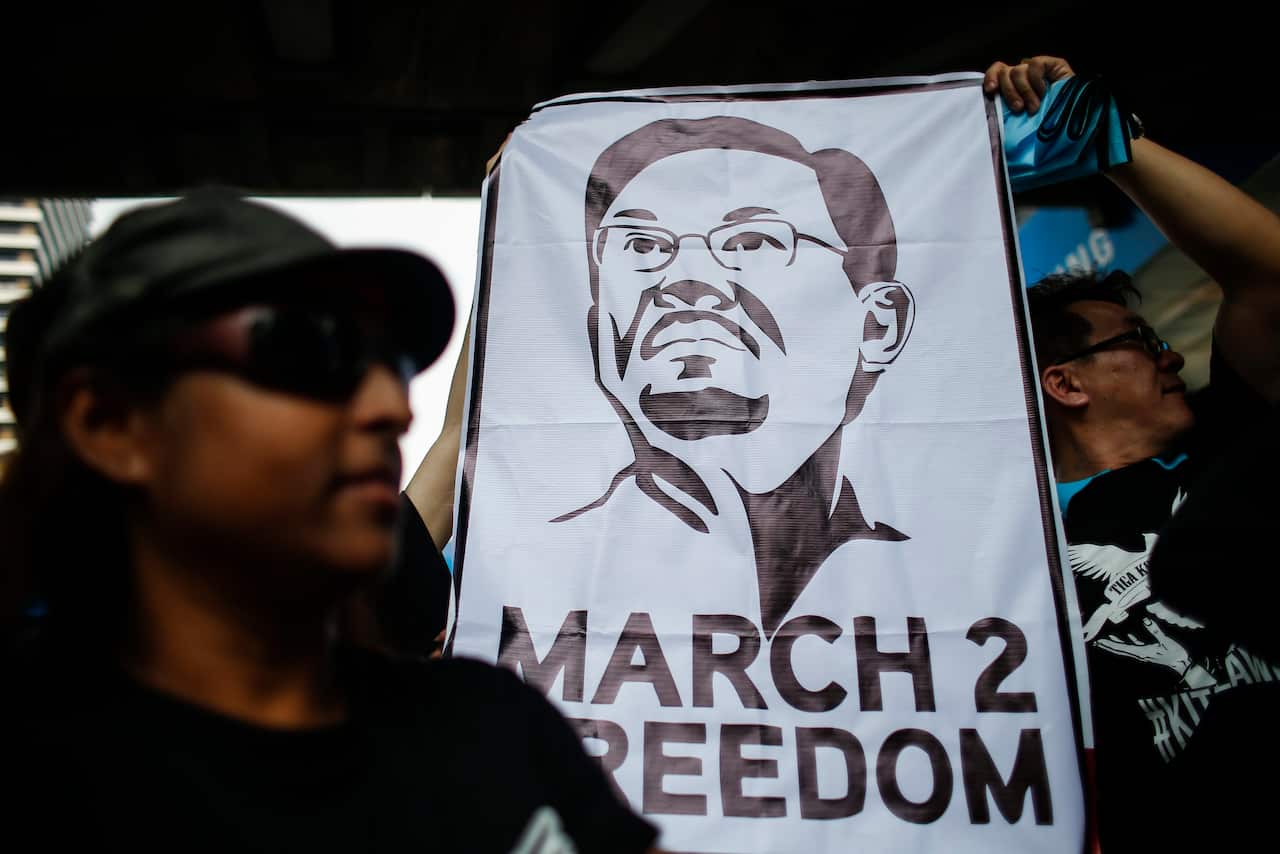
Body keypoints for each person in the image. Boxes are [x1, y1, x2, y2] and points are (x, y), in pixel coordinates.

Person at [0, 190, 660, 853]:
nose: (392, 407)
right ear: (109, 424)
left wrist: (517, 216)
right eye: (305, 348)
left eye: (392, 364)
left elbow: (459, 432)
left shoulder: (495, 729)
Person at [987, 55, 1280, 848]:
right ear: (1066, 384)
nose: (1173, 357)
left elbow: (1269, 280)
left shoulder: (1237, 451)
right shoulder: (1007, 554)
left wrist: (1105, 140)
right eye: (1143, 343)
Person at [552, 116, 915, 636]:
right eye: (641, 246)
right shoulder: (538, 565)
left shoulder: (964, 576)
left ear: (879, 325)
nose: (686, 281)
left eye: (751, 241)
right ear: (596, 331)